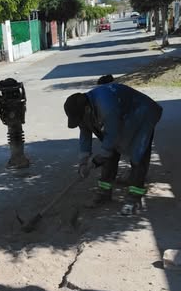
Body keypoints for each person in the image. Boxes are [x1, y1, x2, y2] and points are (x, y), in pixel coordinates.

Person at [64, 76, 163, 215]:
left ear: (87, 109)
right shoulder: (84, 111)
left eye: (80, 119)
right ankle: (104, 193)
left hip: (143, 113)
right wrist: (83, 162)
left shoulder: (106, 106)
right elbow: (85, 134)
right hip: (123, 117)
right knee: (109, 154)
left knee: (138, 155)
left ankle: (134, 198)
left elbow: (112, 136)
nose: (81, 122)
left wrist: (96, 161)